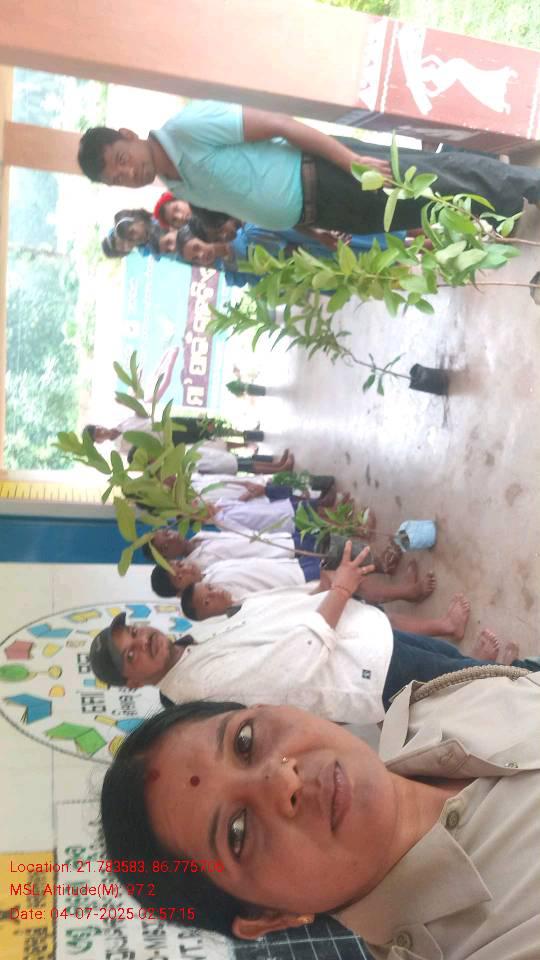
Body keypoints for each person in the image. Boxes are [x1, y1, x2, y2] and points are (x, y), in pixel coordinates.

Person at [100, 666, 540, 955]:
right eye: (237, 831)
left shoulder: (428, 707)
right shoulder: (491, 946)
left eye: (245, 741)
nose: (284, 781)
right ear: (268, 918)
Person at [90, 542, 531, 721]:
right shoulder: (195, 686)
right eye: (131, 654)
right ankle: (525, 681)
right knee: (479, 688)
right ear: (133, 682)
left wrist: (323, 590)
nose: (143, 640)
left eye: (135, 633)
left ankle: (500, 674)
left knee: (462, 671)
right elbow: (288, 668)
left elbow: (272, 617)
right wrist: (339, 590)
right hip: (367, 670)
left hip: (365, 638)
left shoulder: (192, 650)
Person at [78, 100, 540, 233]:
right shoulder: (178, 186)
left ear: (128, 135)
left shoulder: (187, 128)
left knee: (435, 180)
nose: (128, 174)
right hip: (325, 210)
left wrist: (350, 160)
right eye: (118, 179)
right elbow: (250, 197)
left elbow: (279, 124)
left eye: (122, 160)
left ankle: (528, 185)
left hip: (330, 172)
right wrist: (312, 228)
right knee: (424, 207)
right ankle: (508, 203)